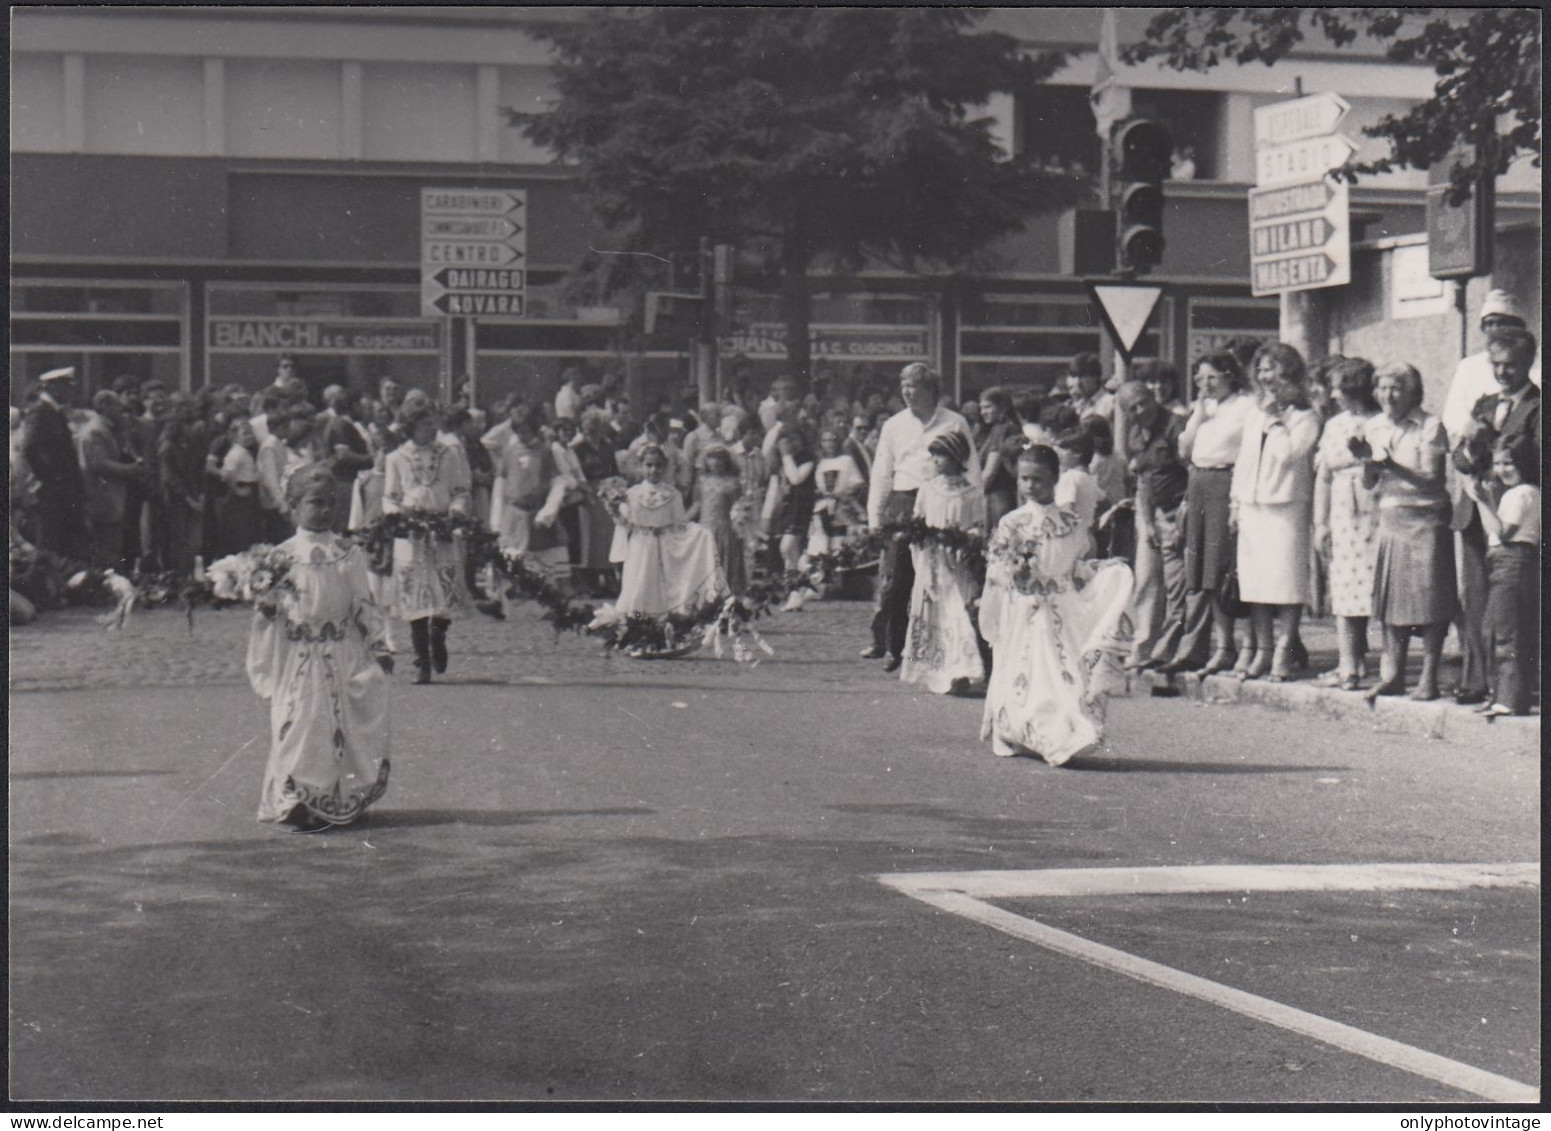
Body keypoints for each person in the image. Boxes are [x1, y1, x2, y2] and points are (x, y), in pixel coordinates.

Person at [246, 466, 392, 831]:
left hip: (342, 652)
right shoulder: (280, 557)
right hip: (299, 656)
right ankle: (296, 796)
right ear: (294, 506)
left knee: (337, 727)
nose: (325, 511)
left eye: (331, 504)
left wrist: (378, 642)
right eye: (315, 503)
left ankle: (330, 796)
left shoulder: (347, 553)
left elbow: (363, 602)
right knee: (299, 725)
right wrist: (267, 608)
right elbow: (270, 609)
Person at [978, 445, 1133, 765]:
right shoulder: (1012, 522)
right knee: (1028, 670)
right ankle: (1023, 728)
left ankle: (1064, 732)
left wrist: (1102, 568)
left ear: (1055, 478)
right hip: (1025, 608)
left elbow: (1076, 566)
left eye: (1038, 479)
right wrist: (1013, 573)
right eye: (1024, 479)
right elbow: (996, 569)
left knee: (1064, 673)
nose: (1030, 486)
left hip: (1063, 607)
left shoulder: (1071, 521)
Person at [864, 363, 980, 671]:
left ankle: (943, 648)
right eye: (903, 385)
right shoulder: (893, 425)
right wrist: (875, 518)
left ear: (930, 389)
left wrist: (972, 510)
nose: (906, 391)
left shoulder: (953, 422)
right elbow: (881, 473)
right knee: (895, 579)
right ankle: (896, 647)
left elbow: (973, 467)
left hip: (945, 500)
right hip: (904, 502)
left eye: (913, 385)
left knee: (940, 577)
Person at [1351, 363, 1456, 701]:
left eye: (1396, 388)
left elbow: (1433, 479)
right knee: (1391, 603)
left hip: (1426, 521)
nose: (1387, 395)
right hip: (1391, 520)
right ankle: (1393, 675)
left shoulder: (1430, 426)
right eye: (1382, 388)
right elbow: (1369, 483)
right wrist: (1368, 462)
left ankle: (1428, 678)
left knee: (1430, 601)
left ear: (1413, 392)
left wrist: (1389, 463)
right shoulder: (1374, 425)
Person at [1158, 352, 1259, 674]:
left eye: (1212, 377)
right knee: (1204, 570)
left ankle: (1242, 645)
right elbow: (1185, 451)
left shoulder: (1247, 406)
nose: (1206, 384)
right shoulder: (1204, 408)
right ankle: (1223, 645)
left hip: (1226, 482)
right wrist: (1199, 414)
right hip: (1199, 482)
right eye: (1200, 378)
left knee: (1224, 568)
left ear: (1230, 375)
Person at [1230, 344, 1321, 682]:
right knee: (1256, 585)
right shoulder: (1256, 414)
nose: (1268, 377)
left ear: (1292, 375)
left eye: (1275, 370)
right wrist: (1236, 503)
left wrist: (1276, 420)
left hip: (1286, 507)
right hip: (1254, 508)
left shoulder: (1306, 418)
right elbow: (1244, 463)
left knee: (1285, 583)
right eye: (1263, 369)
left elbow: (1289, 455)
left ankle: (1284, 649)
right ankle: (1263, 649)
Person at [383, 400, 472, 685]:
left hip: (442, 529)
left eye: (433, 422)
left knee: (446, 590)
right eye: (424, 424)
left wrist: (456, 511)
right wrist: (399, 516)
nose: (431, 428)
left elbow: (460, 491)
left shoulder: (449, 454)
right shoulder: (396, 457)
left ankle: (439, 636)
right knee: (415, 596)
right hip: (412, 534)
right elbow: (390, 497)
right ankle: (422, 658)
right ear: (411, 427)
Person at [1311, 358, 1381, 689]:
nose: (1335, 394)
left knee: (1373, 584)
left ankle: (1376, 663)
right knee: (1344, 584)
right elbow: (1323, 476)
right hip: (1342, 509)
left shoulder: (1381, 422)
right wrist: (1320, 522)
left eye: (1341, 388)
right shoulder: (1334, 425)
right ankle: (1348, 665)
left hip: (1376, 507)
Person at [900, 432, 986, 695]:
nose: (935, 460)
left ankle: (960, 671)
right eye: (934, 454)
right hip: (932, 559)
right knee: (934, 610)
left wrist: (968, 540)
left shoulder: (972, 492)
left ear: (956, 458)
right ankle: (935, 668)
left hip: (957, 560)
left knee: (957, 611)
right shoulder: (928, 488)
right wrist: (920, 543)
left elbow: (978, 526)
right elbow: (919, 520)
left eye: (941, 454)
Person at [1462, 441, 1540, 717]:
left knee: (1506, 631)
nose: (1502, 469)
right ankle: (1502, 695)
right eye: (1497, 464)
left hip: (1512, 560)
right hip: (1505, 561)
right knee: (1495, 628)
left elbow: (1502, 532)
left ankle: (1509, 699)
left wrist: (1481, 500)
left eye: (1509, 463)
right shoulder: (1515, 494)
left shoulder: (1523, 494)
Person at [1118, 381, 1190, 670]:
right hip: (1152, 512)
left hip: (1178, 511)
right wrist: (1147, 523)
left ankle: (1173, 650)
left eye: (1142, 402)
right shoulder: (1137, 434)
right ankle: (1144, 648)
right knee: (1146, 580)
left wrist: (1183, 513)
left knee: (1177, 586)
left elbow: (1191, 471)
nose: (1139, 411)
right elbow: (1144, 481)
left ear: (1153, 398)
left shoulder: (1175, 426)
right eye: (1131, 408)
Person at [612, 444, 726, 619]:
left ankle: (660, 621)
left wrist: (698, 533)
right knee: (637, 583)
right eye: (649, 465)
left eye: (658, 465)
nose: (654, 470)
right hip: (639, 544)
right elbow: (625, 523)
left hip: (664, 546)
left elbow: (679, 524)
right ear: (641, 466)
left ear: (665, 467)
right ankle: (635, 618)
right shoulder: (632, 494)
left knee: (661, 585)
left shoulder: (673, 494)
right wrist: (613, 509)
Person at [22, 367, 90, 561]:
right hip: (52, 493)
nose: (70, 390)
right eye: (65, 385)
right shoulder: (39, 412)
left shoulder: (55, 412)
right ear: (51, 387)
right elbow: (30, 447)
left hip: (64, 492)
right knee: (52, 547)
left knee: (67, 548)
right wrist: (50, 477)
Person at [77, 390, 141, 571]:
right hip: (102, 498)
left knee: (115, 547)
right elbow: (98, 463)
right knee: (107, 549)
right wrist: (129, 470)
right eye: (117, 407)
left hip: (113, 497)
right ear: (105, 407)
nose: (122, 411)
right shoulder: (95, 431)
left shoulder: (110, 429)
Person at [157, 393, 209, 579]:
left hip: (194, 497)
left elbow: (198, 469)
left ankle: (188, 577)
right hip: (176, 500)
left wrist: (201, 495)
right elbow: (169, 478)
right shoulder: (168, 446)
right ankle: (179, 580)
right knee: (178, 541)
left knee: (193, 543)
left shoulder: (191, 443)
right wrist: (189, 499)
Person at [688, 443, 746, 595]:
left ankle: (725, 591)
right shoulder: (701, 481)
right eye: (712, 458)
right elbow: (697, 504)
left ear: (727, 461)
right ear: (705, 461)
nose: (716, 462)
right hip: (705, 527)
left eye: (720, 458)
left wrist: (738, 522)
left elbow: (737, 507)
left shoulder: (732, 483)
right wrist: (683, 520)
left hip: (724, 528)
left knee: (723, 558)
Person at [321, 385, 374, 533]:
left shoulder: (343, 423)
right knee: (344, 529)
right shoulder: (341, 424)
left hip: (346, 482)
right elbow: (343, 455)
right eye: (360, 406)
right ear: (353, 406)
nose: (362, 411)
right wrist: (370, 459)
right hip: (342, 483)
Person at [217, 417, 264, 556]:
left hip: (251, 492)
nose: (250, 437)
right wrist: (237, 490)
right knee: (243, 531)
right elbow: (226, 475)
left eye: (251, 433)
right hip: (241, 496)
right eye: (245, 433)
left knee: (252, 529)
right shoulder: (236, 453)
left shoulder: (245, 451)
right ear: (234, 436)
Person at [977, 387, 1021, 532]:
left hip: (998, 496)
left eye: (988, 407)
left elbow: (990, 471)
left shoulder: (1002, 429)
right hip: (1007, 494)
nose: (983, 412)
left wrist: (973, 496)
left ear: (1002, 406)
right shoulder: (1010, 427)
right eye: (981, 408)